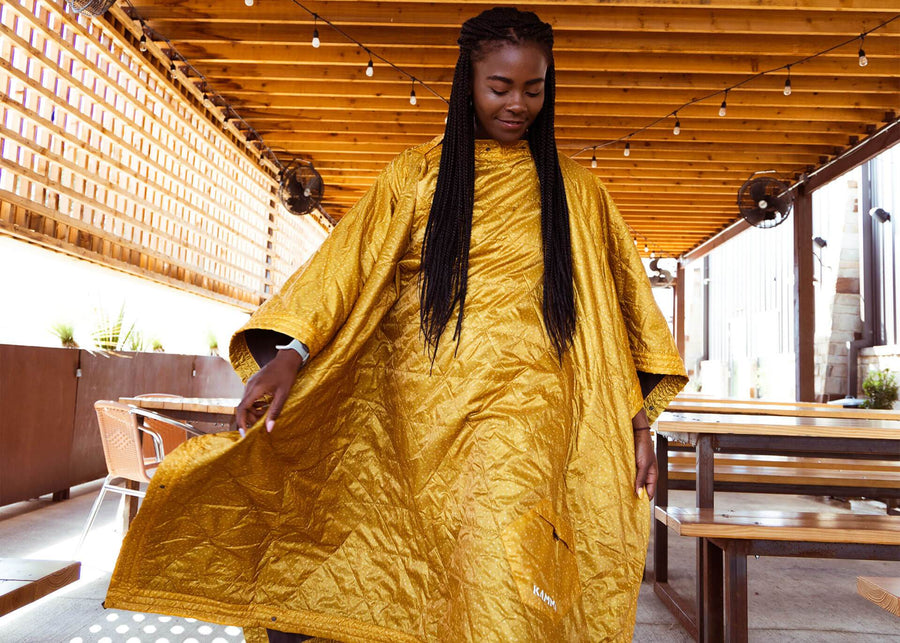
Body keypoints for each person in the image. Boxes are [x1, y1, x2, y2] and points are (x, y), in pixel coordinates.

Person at [105, 7, 686, 642]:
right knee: (395, 575)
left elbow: (618, 317)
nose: (517, 103)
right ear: (468, 81)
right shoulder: (415, 177)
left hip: (528, 430)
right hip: (415, 424)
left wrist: (636, 424)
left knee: (504, 588)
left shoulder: (579, 194)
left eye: (533, 88)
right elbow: (346, 272)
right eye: (500, 87)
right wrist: (292, 352)